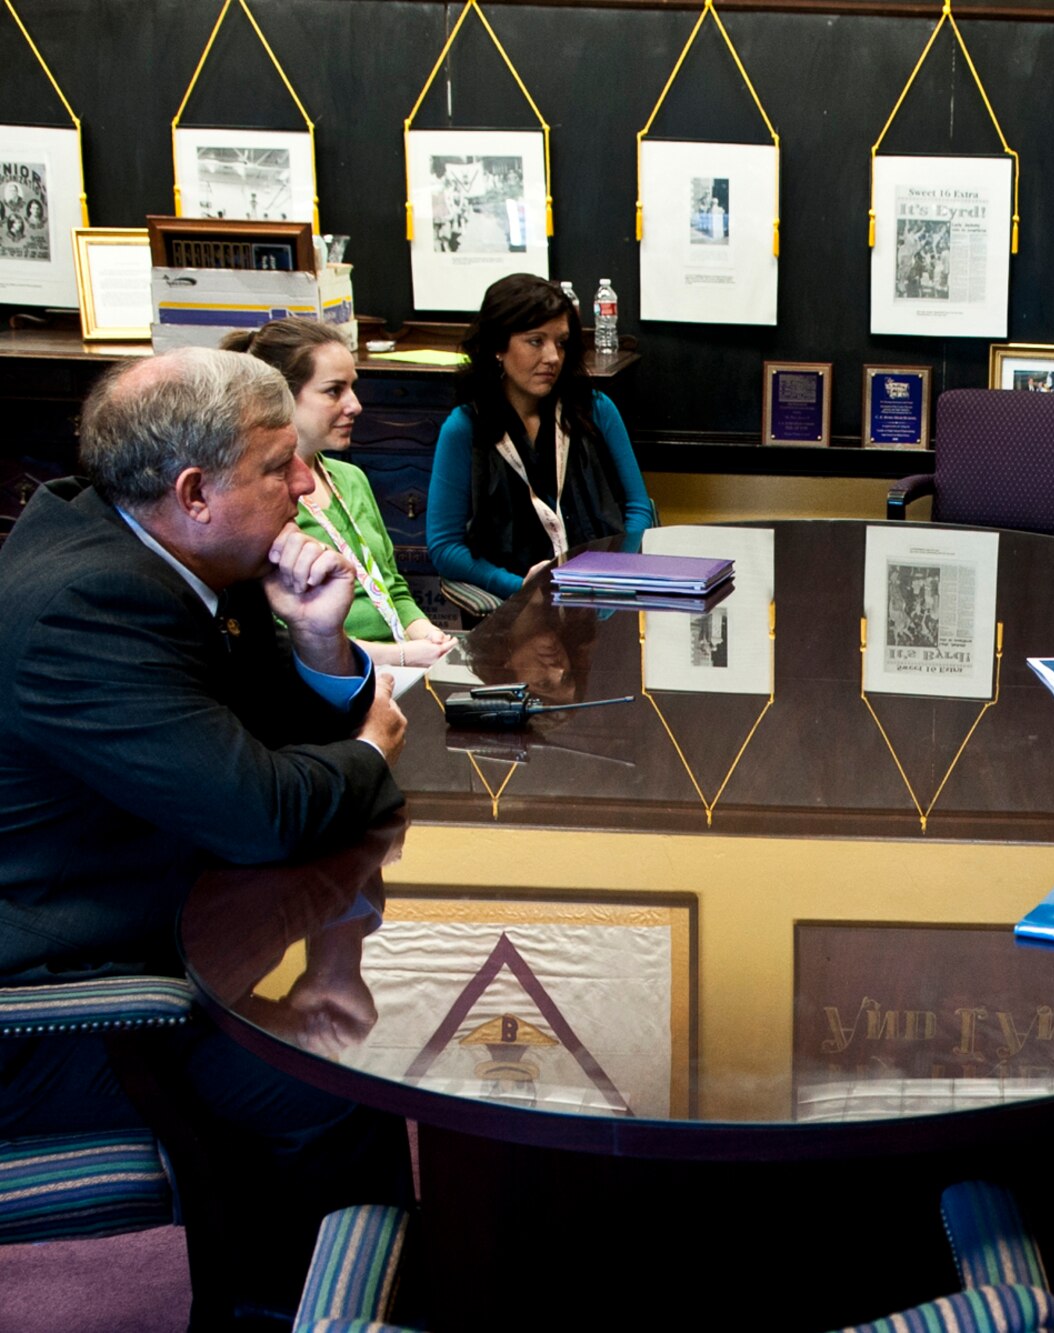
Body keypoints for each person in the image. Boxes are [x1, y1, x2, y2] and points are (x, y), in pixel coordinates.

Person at [0, 347, 413, 1316]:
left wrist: (317, 640)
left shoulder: (173, 549)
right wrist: (373, 751)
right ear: (192, 489)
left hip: (164, 918)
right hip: (60, 999)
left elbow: (265, 740)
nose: (307, 480)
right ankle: (283, 1307)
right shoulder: (87, 606)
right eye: (279, 466)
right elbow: (262, 810)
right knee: (340, 1091)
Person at [224, 319, 453, 668]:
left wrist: (425, 633)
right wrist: (399, 655)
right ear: (280, 397)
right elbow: (284, 635)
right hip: (335, 672)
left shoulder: (350, 478)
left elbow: (391, 587)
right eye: (334, 391)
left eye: (353, 388)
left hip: (403, 662)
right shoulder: (260, 500)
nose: (355, 405)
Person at [426, 272, 653, 600]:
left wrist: (619, 570)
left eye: (560, 343)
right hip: (517, 610)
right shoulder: (465, 429)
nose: (552, 357)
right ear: (497, 347)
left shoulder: (595, 410)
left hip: (605, 596)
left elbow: (637, 506)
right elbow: (445, 547)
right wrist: (518, 587)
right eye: (536, 341)